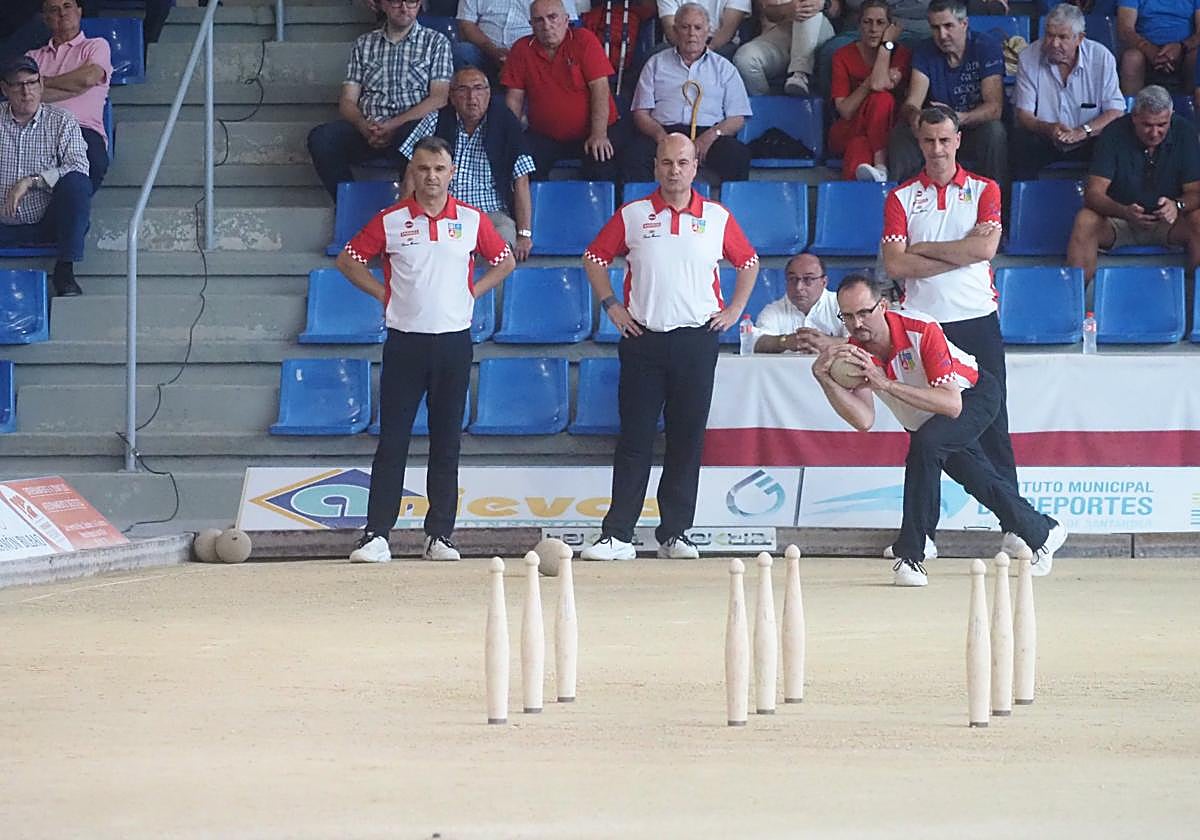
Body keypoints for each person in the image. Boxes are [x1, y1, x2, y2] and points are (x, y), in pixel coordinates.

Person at [812, 275, 1066, 586]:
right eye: (847, 316)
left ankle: (912, 554)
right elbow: (863, 420)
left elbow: (952, 404)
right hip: (928, 418)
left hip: (973, 395)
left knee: (927, 446)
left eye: (864, 312)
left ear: (883, 306)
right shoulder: (855, 353)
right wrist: (825, 381)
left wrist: (886, 383)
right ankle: (1042, 531)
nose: (857, 323)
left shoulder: (921, 328)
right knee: (978, 479)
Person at [337, 136, 516, 564]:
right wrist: (384, 294)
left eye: (438, 169)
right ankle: (376, 534)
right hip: (405, 341)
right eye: (422, 169)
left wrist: (474, 291)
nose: (431, 177)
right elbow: (347, 259)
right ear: (411, 174)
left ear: (451, 173)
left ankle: (439, 535)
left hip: (454, 342)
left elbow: (506, 259)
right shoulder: (392, 219)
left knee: (446, 443)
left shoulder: (472, 220)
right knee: (393, 440)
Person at [581, 133, 759, 560]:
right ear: (656, 167)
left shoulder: (716, 216)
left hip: (697, 340)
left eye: (682, 163)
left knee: (686, 439)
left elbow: (749, 262)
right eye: (666, 163)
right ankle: (618, 535)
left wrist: (734, 308)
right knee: (635, 439)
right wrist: (611, 305)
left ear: (695, 166)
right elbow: (594, 258)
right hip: (642, 338)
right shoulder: (633, 214)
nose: (674, 171)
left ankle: (675, 532)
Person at [882, 105, 1024, 560]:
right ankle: (923, 535)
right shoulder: (901, 197)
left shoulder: (985, 189)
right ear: (919, 142)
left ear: (958, 139)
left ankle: (1017, 526)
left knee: (992, 425)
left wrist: (924, 248)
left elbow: (985, 247)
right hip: (923, 328)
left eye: (945, 140)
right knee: (927, 429)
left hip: (977, 320)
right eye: (929, 141)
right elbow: (896, 264)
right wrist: (959, 253)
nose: (937, 149)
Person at [306, 0, 453, 201]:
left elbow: (439, 97)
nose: (404, 8)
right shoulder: (364, 44)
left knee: (421, 134)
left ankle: (409, 204)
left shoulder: (436, 42)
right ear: (382, 5)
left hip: (409, 128)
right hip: (369, 130)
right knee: (321, 138)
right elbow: (347, 100)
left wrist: (393, 124)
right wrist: (363, 126)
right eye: (395, 2)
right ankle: (351, 201)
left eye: (411, 2)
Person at [1066, 85, 1200, 286]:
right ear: (1134, 117)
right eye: (1147, 125)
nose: (1155, 133)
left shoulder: (1185, 132)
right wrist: (1124, 211)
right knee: (1085, 220)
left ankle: (1195, 299)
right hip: (1119, 220)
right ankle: (1074, 302)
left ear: (1171, 116)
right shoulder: (1113, 133)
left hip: (1170, 222)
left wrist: (1177, 205)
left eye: (1162, 124)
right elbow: (1093, 194)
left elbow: (1195, 192)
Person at [400, 67, 536, 258]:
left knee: (502, 247)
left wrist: (524, 234)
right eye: (463, 90)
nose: (472, 97)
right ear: (452, 97)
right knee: (423, 248)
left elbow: (521, 180)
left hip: (492, 215)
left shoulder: (506, 123)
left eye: (479, 88)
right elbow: (411, 174)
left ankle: (482, 289)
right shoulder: (435, 121)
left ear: (488, 94)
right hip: (442, 212)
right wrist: (406, 221)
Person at [626, 3, 754, 183]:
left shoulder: (725, 68)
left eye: (698, 27)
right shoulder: (655, 64)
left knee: (737, 154)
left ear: (708, 31)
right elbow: (641, 113)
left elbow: (737, 118)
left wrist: (711, 136)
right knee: (634, 155)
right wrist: (661, 138)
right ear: (675, 30)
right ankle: (643, 210)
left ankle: (728, 210)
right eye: (685, 27)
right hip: (665, 131)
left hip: (708, 133)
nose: (691, 33)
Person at [887, 0, 1007, 189]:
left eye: (948, 26)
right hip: (935, 131)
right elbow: (912, 103)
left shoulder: (985, 46)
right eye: (935, 28)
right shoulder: (925, 51)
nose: (942, 35)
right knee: (902, 133)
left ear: (964, 24)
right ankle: (903, 202)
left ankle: (997, 207)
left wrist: (958, 119)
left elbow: (994, 108)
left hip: (972, 128)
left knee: (994, 132)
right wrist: (915, 117)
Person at [502, 0, 626, 181]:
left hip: (593, 131)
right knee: (520, 165)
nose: (546, 25)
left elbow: (600, 90)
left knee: (602, 166)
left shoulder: (584, 40)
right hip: (545, 135)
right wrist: (511, 138)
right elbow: (514, 100)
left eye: (552, 17)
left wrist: (598, 134)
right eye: (539, 20)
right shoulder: (521, 49)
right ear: (531, 25)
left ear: (567, 20)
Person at [0, 55, 90, 297]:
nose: (26, 92)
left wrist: (32, 181)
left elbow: (78, 166)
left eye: (31, 83)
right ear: (5, 88)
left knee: (77, 183)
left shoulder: (62, 121)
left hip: (45, 222)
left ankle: (65, 269)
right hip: (2, 222)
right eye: (18, 85)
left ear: (41, 85)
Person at [1011, 3, 1126, 181]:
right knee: (1021, 140)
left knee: (1114, 140)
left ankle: (1103, 202)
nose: (1054, 43)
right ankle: (1023, 199)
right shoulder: (1028, 57)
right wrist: (1048, 129)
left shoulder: (1101, 57)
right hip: (1045, 137)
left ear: (1080, 38)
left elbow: (1115, 111)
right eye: (1049, 35)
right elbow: (1024, 114)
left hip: (1089, 138)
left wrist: (1083, 131)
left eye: (1063, 37)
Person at [27, 0, 110, 193]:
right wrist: (75, 87)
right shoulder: (32, 57)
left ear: (79, 12)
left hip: (82, 129)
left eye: (67, 6)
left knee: (92, 164)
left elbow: (89, 78)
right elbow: (26, 95)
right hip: (39, 130)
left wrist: (43, 82)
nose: (62, 13)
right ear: (46, 19)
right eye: (54, 10)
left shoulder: (96, 46)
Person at [828, 0, 911, 181]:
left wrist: (886, 45)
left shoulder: (901, 54)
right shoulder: (842, 56)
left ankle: (852, 202)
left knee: (859, 146)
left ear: (890, 27)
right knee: (881, 98)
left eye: (880, 23)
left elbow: (878, 84)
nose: (873, 29)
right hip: (849, 127)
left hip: (882, 130)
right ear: (859, 25)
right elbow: (845, 110)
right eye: (867, 22)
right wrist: (868, 83)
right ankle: (881, 163)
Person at [732, 0, 840, 95]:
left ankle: (799, 74)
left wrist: (822, 3)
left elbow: (836, 10)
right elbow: (769, 13)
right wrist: (788, 9)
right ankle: (767, 109)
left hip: (817, 33)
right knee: (745, 59)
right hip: (780, 34)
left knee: (807, 11)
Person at [752, 252, 848, 352]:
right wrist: (784, 341)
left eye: (808, 279)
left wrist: (830, 342)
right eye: (792, 279)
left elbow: (861, 342)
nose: (799, 287)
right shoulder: (773, 310)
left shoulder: (841, 304)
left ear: (824, 282)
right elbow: (757, 344)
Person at [1116, 0, 1200, 95]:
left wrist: (1182, 47)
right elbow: (1125, 30)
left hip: (1184, 50)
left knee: (1197, 56)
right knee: (1131, 58)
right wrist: (1148, 49)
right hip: (1143, 51)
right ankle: (1130, 107)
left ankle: (1191, 107)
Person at [457, 0, 541, 77]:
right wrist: (493, 50)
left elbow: (546, 26)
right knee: (462, 51)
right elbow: (466, 24)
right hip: (484, 51)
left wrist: (517, 54)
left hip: (527, 54)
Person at [658, 0, 750, 60]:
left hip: (720, 44)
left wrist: (703, 52)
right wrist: (688, 50)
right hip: (679, 43)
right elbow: (671, 28)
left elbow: (728, 29)